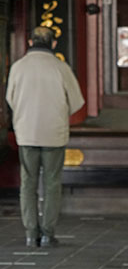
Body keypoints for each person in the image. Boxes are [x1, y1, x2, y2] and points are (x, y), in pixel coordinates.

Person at [6, 26, 84, 247]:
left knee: (27, 182)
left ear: (30, 42)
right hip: (54, 133)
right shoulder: (61, 68)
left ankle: (31, 232)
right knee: (52, 183)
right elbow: (77, 102)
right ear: (53, 44)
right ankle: (48, 233)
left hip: (26, 133)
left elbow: (10, 99)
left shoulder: (18, 67)